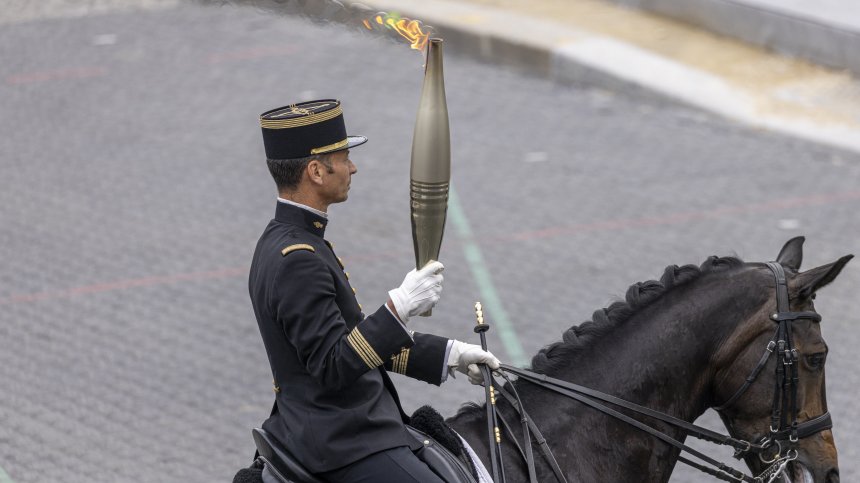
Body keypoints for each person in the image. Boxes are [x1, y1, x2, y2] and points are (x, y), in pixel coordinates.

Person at [248, 99, 500, 483]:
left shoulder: (285, 241)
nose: (353, 167)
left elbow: (353, 340)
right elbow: (334, 365)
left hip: (332, 427)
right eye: (344, 158)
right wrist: (398, 307)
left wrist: (449, 355)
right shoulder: (298, 259)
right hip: (342, 440)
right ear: (316, 171)